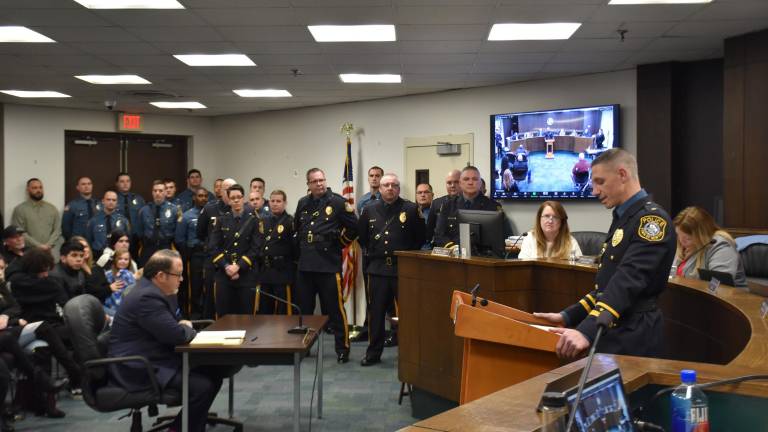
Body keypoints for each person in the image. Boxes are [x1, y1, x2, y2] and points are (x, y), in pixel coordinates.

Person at [533, 149, 676, 360]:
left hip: (634, 335)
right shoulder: (624, 217)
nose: (594, 191)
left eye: (600, 182)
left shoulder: (651, 222)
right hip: (614, 328)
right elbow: (606, 287)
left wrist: (586, 330)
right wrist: (567, 316)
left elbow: (627, 281)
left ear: (623, 174)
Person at [108, 249, 234, 432]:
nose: (181, 280)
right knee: (202, 386)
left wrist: (181, 326)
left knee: (213, 374)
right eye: (178, 275)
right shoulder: (147, 297)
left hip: (154, 355)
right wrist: (186, 327)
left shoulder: (156, 290)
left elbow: (174, 325)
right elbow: (178, 335)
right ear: (160, 275)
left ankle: (183, 427)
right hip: (138, 366)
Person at [358, 174, 424, 366]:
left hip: (402, 269)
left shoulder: (411, 209)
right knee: (376, 314)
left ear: (399, 189)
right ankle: (373, 353)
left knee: (407, 314)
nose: (390, 188)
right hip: (377, 270)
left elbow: (420, 237)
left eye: (394, 185)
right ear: (380, 188)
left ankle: (408, 352)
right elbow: (362, 237)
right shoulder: (368, 210)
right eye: (386, 185)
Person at [294, 168, 358, 363]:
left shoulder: (337, 202)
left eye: (321, 180)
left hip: (328, 264)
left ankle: (342, 348)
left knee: (335, 310)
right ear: (309, 184)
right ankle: (304, 347)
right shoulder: (303, 203)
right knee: (305, 310)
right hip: (306, 265)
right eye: (315, 181)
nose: (319, 184)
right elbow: (297, 229)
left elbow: (355, 227)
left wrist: (339, 243)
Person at [7, 247, 83, 396]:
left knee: (68, 335)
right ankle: (76, 375)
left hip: (39, 324)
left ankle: (70, 378)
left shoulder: (19, 282)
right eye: (43, 270)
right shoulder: (50, 283)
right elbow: (63, 301)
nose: (46, 274)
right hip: (37, 325)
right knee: (72, 336)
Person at [0, 255, 66, 425]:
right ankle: (46, 384)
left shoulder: (1, 285)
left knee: (41, 347)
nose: (1, 272)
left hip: (11, 333)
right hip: (9, 334)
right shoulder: (20, 282)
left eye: (2, 268)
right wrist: (13, 320)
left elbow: (15, 307)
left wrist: (7, 316)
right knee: (11, 353)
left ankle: (45, 403)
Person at [209, 184, 262, 317]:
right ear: (228, 200)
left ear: (243, 198)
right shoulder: (221, 221)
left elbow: (255, 248)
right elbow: (213, 247)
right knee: (223, 316)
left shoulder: (254, 221)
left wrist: (238, 266)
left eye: (239, 197)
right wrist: (227, 267)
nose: (236, 200)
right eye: (233, 198)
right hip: (224, 275)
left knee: (246, 317)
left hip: (246, 275)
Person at [433, 166, 507, 249]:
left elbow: (499, 237)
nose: (470, 182)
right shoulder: (448, 205)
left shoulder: (492, 207)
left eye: (475, 179)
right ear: (460, 183)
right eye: (466, 179)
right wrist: (453, 248)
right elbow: (439, 235)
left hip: (482, 257)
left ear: (480, 183)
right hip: (454, 255)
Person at [672, 206, 747, 287]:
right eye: (678, 235)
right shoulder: (683, 246)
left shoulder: (720, 246)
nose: (681, 241)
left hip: (726, 298)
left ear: (702, 236)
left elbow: (718, 285)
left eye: (688, 238)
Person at [257, 190, 297, 315]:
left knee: (284, 310)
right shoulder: (263, 221)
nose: (275, 204)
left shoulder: (290, 222)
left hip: (283, 272)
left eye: (278, 201)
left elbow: (295, 248)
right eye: (272, 201)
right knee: (265, 309)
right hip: (266, 272)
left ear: (285, 203)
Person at [175, 188, 209, 318]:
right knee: (194, 287)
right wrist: (189, 253)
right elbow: (179, 239)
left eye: (205, 196)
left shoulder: (212, 215)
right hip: (194, 256)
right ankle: (194, 316)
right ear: (194, 198)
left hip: (210, 256)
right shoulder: (187, 216)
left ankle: (207, 315)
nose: (203, 198)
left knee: (209, 287)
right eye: (200, 196)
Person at [11, 178, 63, 256]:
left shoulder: (52, 208)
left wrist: (48, 245)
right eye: (34, 188)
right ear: (27, 190)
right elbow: (20, 232)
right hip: (30, 253)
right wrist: (39, 245)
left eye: (40, 187)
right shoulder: (20, 209)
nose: (38, 190)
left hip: (50, 252)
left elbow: (57, 230)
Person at [136, 180, 181, 265]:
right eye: (155, 191)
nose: (157, 193)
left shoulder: (174, 210)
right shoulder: (144, 210)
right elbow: (139, 232)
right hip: (148, 248)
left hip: (166, 248)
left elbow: (177, 232)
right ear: (152, 192)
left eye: (160, 191)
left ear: (165, 192)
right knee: (146, 275)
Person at [518, 201, 582, 260]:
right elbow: (522, 267)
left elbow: (579, 268)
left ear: (562, 222)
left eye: (555, 217)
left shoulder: (570, 242)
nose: (550, 221)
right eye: (546, 216)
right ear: (539, 219)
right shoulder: (530, 238)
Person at [86, 189, 130, 258]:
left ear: (117, 202)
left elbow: (128, 239)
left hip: (117, 256)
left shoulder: (123, 221)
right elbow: (88, 240)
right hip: (98, 255)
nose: (111, 202)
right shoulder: (94, 221)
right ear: (103, 201)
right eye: (108, 199)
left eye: (114, 200)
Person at [425, 169, 460, 246]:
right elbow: (429, 230)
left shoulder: (468, 204)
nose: (452, 185)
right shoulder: (436, 203)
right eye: (449, 183)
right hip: (441, 249)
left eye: (456, 182)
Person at [62, 176, 101, 240]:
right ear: (77, 187)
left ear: (92, 186)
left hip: (96, 242)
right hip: (79, 242)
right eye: (83, 184)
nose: (87, 186)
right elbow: (66, 229)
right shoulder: (72, 206)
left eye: (89, 184)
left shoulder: (99, 204)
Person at [113, 173, 145, 247]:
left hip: (136, 239)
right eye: (122, 181)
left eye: (128, 181)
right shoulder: (113, 199)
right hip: (118, 239)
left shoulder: (139, 199)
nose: (125, 184)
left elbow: (144, 218)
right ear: (117, 184)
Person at [104, 248, 135, 316]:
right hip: (110, 307)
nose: (123, 261)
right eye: (120, 259)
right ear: (115, 259)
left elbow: (133, 290)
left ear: (129, 261)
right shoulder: (108, 274)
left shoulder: (129, 274)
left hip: (125, 307)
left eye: (126, 259)